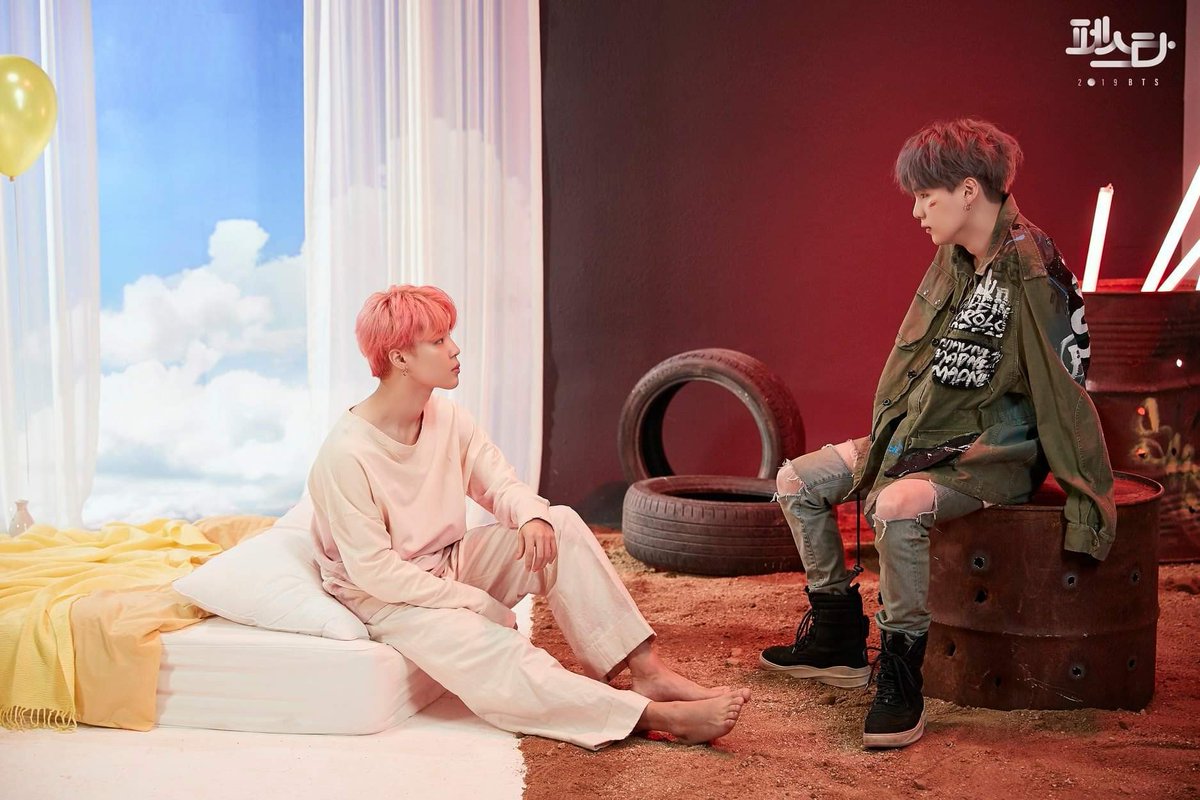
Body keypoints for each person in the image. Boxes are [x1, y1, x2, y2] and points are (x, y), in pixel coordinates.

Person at [759, 118, 1116, 749]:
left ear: (969, 191)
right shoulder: (954, 257)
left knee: (895, 505)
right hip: (920, 435)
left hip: (988, 454)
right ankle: (838, 640)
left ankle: (902, 680)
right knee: (797, 481)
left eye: (927, 196)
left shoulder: (1031, 269)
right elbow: (916, 368)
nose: (917, 211)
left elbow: (1065, 391)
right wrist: (885, 442)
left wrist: (1089, 503)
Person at [308, 284, 749, 750]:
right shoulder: (346, 454)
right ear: (399, 358)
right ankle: (652, 716)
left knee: (560, 523)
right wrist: (472, 601)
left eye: (449, 336)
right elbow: (374, 571)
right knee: (496, 649)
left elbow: (499, 483)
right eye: (438, 341)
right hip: (386, 598)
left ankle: (648, 672)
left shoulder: (447, 418)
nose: (455, 349)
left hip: (446, 560)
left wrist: (531, 518)